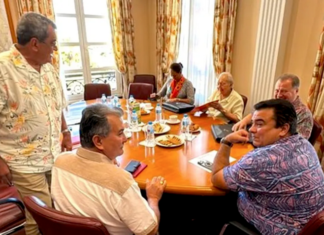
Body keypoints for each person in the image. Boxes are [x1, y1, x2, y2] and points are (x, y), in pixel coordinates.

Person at [0, 13, 71, 235]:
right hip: (22, 161)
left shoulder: (48, 67)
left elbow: (56, 104)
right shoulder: (3, 69)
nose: (55, 49)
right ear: (34, 44)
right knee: (41, 214)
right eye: (52, 44)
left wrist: (65, 130)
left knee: (58, 206)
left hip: (52, 154)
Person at [211, 99, 324, 234]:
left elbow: (217, 177)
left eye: (259, 124)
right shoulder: (305, 144)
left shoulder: (263, 160)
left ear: (283, 129)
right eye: (252, 123)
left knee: (215, 201)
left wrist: (226, 141)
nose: (251, 129)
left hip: (281, 228)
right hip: (307, 224)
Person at [51, 104, 166, 235]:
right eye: (120, 133)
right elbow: (150, 231)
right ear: (98, 141)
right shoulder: (121, 182)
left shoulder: (59, 162)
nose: (125, 139)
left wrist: (107, 161)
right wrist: (153, 198)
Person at [232, 74, 313, 139]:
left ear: (296, 91)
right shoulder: (276, 104)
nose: (279, 95)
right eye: (277, 90)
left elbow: (297, 141)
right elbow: (258, 113)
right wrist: (244, 121)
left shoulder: (304, 114)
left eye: (284, 91)